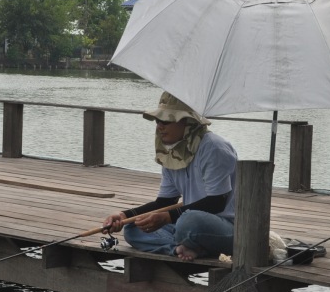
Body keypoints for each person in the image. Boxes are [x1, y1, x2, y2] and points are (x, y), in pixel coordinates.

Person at [102, 92, 238, 261]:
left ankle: (195, 246)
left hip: (228, 228)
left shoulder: (214, 148)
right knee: (133, 226)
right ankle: (179, 249)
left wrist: (168, 217)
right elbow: (165, 203)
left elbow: (217, 202)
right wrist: (125, 215)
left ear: (187, 122)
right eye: (157, 121)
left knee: (188, 221)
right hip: (187, 224)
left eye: (165, 121)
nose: (159, 126)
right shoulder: (171, 151)